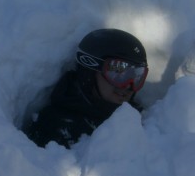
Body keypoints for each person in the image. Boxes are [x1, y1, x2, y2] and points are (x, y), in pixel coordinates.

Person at [21, 28, 149, 149]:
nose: (127, 85)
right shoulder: (51, 127)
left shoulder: (144, 122)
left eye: (137, 76)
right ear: (90, 72)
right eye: (117, 72)